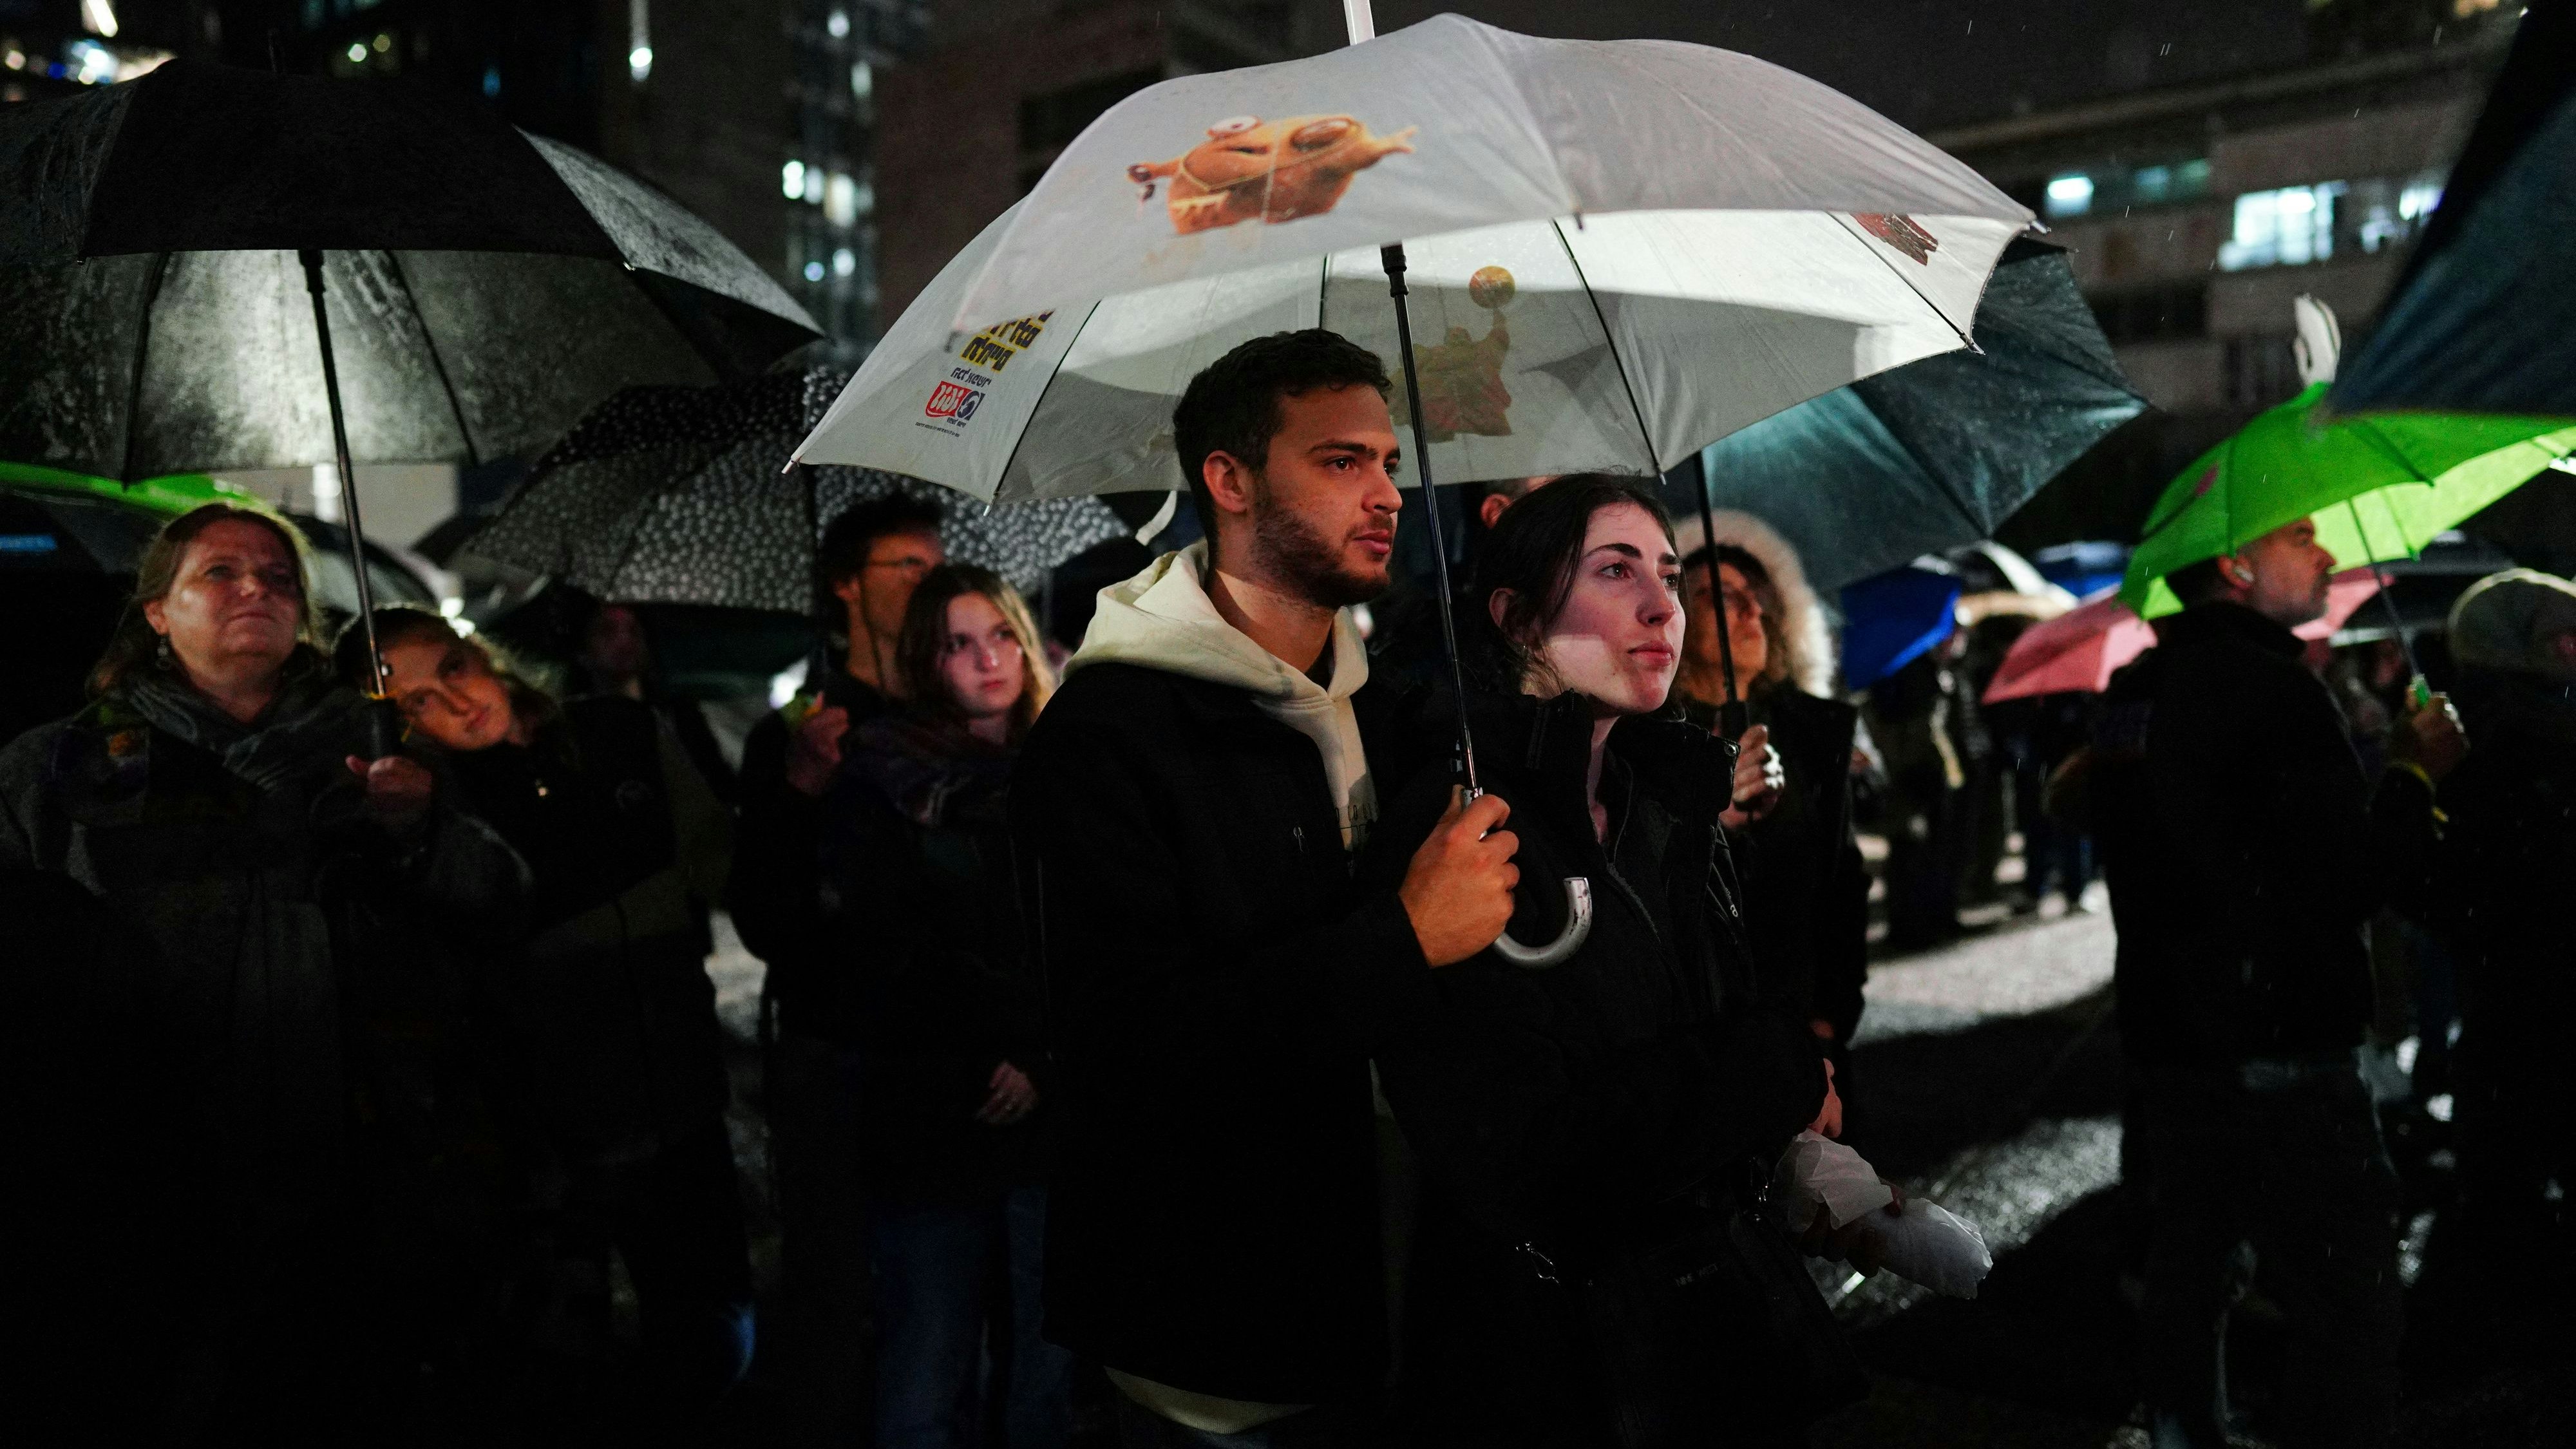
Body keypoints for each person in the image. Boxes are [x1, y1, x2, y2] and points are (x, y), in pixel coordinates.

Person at [1010, 328, 1521, 1446]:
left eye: (1389, 462)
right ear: (1228, 481)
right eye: (1341, 463)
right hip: (1221, 1343)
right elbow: (1132, 1048)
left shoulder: (1383, 710)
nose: (1386, 492)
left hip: (1407, 1301)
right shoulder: (1110, 733)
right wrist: (1404, 938)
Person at [0, 503, 525, 1441]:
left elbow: (500, 897)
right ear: (157, 610)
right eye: (221, 573)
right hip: (149, 1185)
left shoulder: (379, 748)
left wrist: (419, 832)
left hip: (358, 1178)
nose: (257, 589)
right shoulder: (59, 766)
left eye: (280, 577)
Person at [1365, 477, 1861, 1448]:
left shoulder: (1664, 807)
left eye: (1668, 576)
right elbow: (1536, 1151)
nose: (1662, 608)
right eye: (1615, 570)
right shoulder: (1459, 830)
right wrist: (1776, 1072)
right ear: (1513, 616)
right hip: (1545, 1353)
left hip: (1703, 1307)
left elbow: (1714, 1011)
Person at [2085, 516, 2463, 1449]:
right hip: (2288, 1045)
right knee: (2348, 1300)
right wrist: (2419, 772)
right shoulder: (2279, 691)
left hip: (2175, 1043)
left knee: (2190, 1280)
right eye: (2304, 539)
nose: (2331, 556)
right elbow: (2348, 882)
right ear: (2236, 562)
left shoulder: (2136, 689)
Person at [337, 605, 753, 1426]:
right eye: (413, 703)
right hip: (549, 1136)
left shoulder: (621, 732)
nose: (453, 706)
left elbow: (727, 869)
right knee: (563, 1365)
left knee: (713, 1333)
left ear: (480, 655)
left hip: (680, 1098)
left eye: (451, 670)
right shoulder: (433, 810)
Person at [726, 489, 946, 1433]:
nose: (932, 583)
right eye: (910, 567)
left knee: (939, 1288)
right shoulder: (799, 730)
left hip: (944, 1049)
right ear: (847, 586)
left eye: (938, 566)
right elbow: (766, 916)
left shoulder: (963, 713)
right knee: (832, 1281)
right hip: (833, 1049)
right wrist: (803, 793)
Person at [843, 565, 1072, 1449]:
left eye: (1002, 635)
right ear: (926, 661)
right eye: (960, 643)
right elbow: (882, 954)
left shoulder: (1067, 765)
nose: (989, 660)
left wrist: (1047, 1060)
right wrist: (982, 1061)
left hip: (1049, 1120)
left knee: (1044, 1367)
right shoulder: (887, 775)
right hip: (936, 1116)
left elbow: (1096, 939)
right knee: (929, 1369)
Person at [2418, 569, 2576, 1372]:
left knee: (2502, 1163)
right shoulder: (2514, 732)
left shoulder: (2473, 727)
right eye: (2557, 634)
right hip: (2531, 986)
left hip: (2503, 988)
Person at [1674, 511, 1869, 1083]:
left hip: (1804, 1033)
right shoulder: (1642, 741)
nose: (1752, 610)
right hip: (1699, 1043)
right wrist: (1718, 822)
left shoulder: (1810, 736)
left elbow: (1843, 884)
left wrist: (1832, 1020)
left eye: (1757, 597)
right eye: (1721, 596)